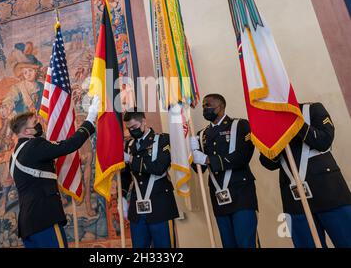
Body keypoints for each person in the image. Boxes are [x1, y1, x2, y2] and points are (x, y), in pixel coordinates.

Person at [8, 95, 99, 248]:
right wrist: (90, 119)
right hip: (44, 220)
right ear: (27, 131)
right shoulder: (34, 146)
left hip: (27, 224)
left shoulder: (15, 154)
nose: (38, 126)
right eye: (35, 123)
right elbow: (69, 145)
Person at [260, 102, 351, 248]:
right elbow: (268, 163)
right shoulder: (270, 122)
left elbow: (324, 141)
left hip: (329, 193)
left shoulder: (313, 109)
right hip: (294, 200)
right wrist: (276, 134)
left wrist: (295, 123)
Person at [191, 94, 259, 248]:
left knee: (246, 243)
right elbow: (199, 169)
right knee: (228, 244)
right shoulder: (201, 135)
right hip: (219, 197)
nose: (204, 109)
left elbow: (242, 156)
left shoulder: (240, 125)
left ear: (220, 106)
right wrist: (191, 152)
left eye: (208, 105)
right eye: (203, 106)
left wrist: (207, 159)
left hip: (241, 195)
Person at [121, 109, 179, 248]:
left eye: (134, 127)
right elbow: (126, 175)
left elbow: (159, 168)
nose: (132, 131)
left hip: (160, 206)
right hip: (138, 208)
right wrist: (122, 196)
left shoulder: (162, 139)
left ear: (144, 121)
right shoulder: (129, 145)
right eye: (129, 129)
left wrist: (131, 159)